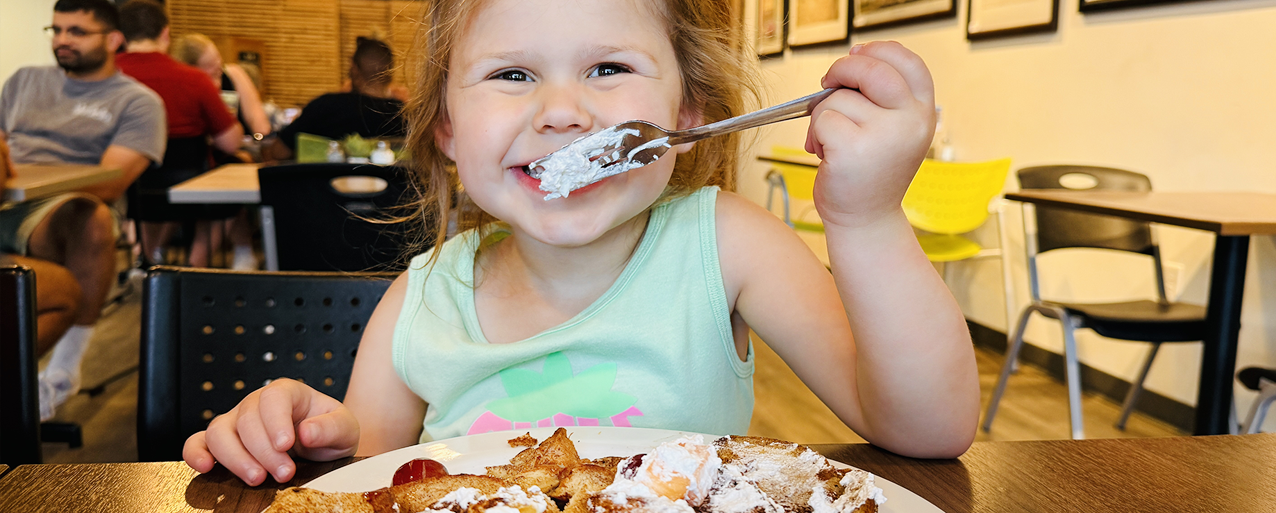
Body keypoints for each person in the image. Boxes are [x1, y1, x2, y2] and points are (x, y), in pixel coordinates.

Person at [183, 0, 980, 486]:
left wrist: (867, 215)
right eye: (513, 75)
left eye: (608, 67)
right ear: (449, 130)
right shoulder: (421, 298)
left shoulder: (726, 244)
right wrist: (303, 432)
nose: (563, 112)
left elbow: (926, 429)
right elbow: (367, 473)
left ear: (690, 108)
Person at [0, 0, 165, 420]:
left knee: (88, 217)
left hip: (61, 205)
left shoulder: (139, 102)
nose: (62, 40)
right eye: (55, 30)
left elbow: (111, 180)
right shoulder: (23, 81)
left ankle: (61, 374)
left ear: (113, 39)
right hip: (7, 194)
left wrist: (35, 178)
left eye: (76, 31)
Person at [117, 0, 244, 269]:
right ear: (165, 33)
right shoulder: (193, 79)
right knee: (232, 179)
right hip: (189, 192)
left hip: (125, 191)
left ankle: (147, 261)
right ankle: (193, 267)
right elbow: (230, 142)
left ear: (119, 34)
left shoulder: (107, 78)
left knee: (150, 187)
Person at [169, 32, 265, 270]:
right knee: (224, 175)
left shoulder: (234, 75)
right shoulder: (185, 85)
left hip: (234, 151)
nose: (218, 73)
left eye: (219, 65)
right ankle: (233, 255)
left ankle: (200, 263)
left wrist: (254, 138)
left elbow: (260, 126)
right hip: (200, 159)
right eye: (211, 70)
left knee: (234, 169)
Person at [265, 36, 407, 161]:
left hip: (328, 191)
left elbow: (279, 152)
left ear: (354, 69)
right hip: (388, 191)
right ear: (390, 73)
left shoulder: (324, 107)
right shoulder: (406, 116)